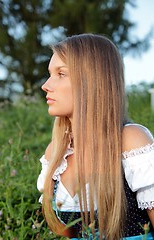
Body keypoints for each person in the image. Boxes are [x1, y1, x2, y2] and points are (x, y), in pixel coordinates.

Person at [37, 33, 154, 239]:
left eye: (61, 74)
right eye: (50, 74)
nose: (46, 85)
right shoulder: (55, 153)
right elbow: (65, 234)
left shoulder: (130, 140)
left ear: (91, 80)